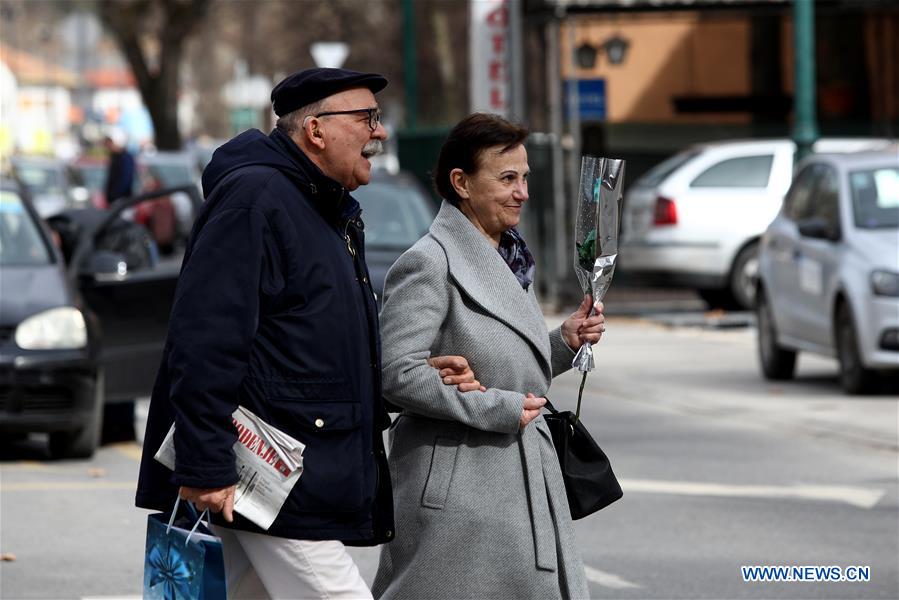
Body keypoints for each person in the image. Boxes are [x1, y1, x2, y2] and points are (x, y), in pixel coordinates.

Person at [135, 68, 481, 600]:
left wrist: (400, 379)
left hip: (283, 469)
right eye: (366, 118)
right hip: (269, 474)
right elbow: (205, 339)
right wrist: (205, 462)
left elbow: (309, 344)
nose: (379, 132)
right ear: (316, 130)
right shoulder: (257, 199)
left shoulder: (322, 205)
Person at [372, 113, 606, 599]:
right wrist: (495, 408)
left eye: (525, 178)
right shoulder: (428, 262)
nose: (522, 192)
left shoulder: (510, 256)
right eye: (507, 179)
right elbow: (396, 373)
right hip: (459, 492)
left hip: (514, 479)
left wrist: (563, 342)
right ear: (461, 183)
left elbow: (511, 362)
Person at [103, 128, 135, 204]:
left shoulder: (125, 158)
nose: (108, 145)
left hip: (121, 200)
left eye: (110, 142)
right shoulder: (115, 157)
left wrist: (115, 195)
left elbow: (125, 179)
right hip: (115, 200)